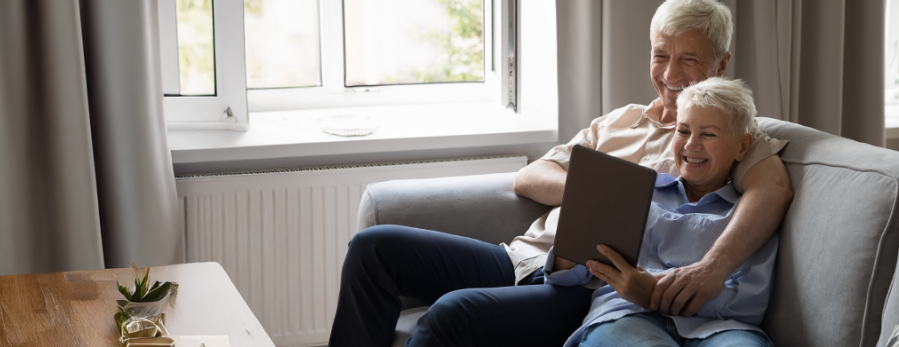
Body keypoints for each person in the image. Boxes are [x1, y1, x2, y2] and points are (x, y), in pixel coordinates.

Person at [329, 1, 792, 346]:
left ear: (721, 63)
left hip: (588, 285)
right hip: (527, 258)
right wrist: (600, 195)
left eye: (689, 59)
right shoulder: (620, 120)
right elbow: (529, 178)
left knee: (453, 314)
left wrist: (713, 269)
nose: (671, 72)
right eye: (660, 55)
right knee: (374, 248)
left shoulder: (719, 136)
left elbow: (772, 188)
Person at [549, 77, 777, 347]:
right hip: (628, 315)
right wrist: (572, 243)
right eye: (683, 131)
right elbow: (576, 273)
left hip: (722, 329)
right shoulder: (639, 194)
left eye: (708, 134)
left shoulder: (749, 216)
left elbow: (750, 304)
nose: (691, 144)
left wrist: (656, 292)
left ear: (742, 146)